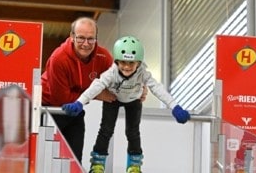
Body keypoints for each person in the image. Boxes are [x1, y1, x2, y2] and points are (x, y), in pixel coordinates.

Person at [62, 36, 191, 173]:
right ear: (117, 61)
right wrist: (79, 103)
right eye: (123, 62)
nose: (127, 67)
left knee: (133, 132)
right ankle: (98, 163)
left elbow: (157, 89)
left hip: (133, 100)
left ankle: (134, 164)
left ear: (139, 63)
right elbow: (96, 86)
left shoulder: (143, 74)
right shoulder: (111, 73)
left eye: (131, 63)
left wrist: (175, 107)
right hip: (113, 99)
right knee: (106, 131)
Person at [41, 17, 117, 163]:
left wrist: (138, 91)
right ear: (71, 37)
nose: (86, 44)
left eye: (91, 39)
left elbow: (118, 80)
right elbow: (60, 100)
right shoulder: (58, 58)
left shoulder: (103, 56)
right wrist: (95, 94)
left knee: (75, 161)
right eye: (81, 38)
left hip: (75, 110)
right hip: (49, 110)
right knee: (47, 161)